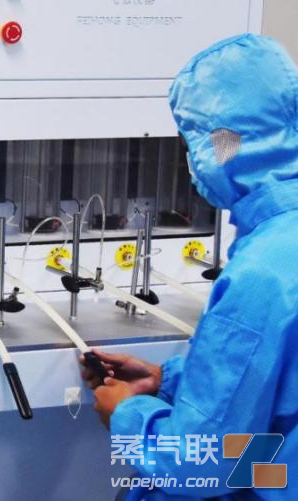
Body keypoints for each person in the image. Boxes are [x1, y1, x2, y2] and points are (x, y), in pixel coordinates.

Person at [81, 34, 298, 500]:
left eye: (192, 142)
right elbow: (277, 404)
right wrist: (170, 382)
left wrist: (126, 416)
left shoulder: (263, 275)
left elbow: (205, 464)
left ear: (218, 145)